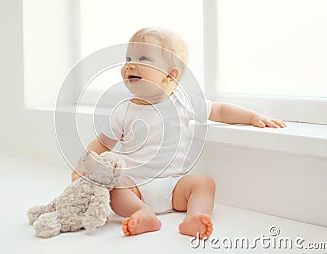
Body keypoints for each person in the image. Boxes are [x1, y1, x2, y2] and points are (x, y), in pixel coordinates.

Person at [71, 27, 286, 238]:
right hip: (134, 185)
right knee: (113, 186)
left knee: (204, 183)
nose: (130, 65)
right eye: (128, 58)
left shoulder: (183, 102)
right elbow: (101, 144)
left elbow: (218, 110)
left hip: (174, 186)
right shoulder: (123, 111)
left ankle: (196, 216)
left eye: (143, 58)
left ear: (169, 75)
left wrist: (251, 117)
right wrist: (83, 167)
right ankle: (141, 213)